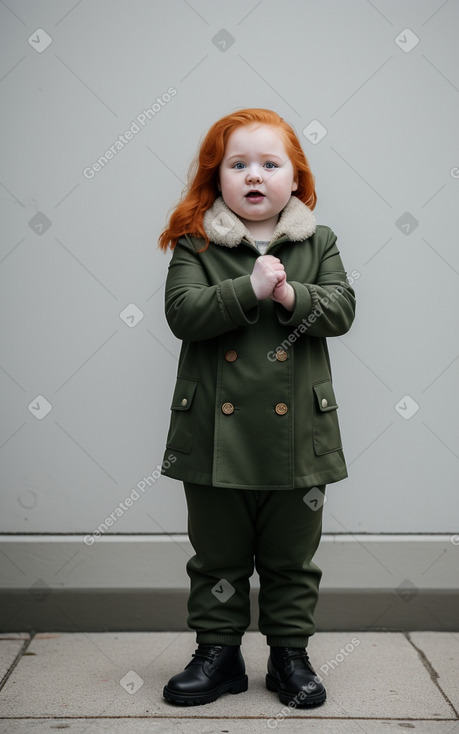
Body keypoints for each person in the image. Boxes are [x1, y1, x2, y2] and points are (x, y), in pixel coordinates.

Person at [158, 108, 356, 707]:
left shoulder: (316, 240)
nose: (254, 175)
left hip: (298, 434)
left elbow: (343, 310)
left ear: (295, 178)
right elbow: (182, 313)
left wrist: (292, 292)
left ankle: (289, 655)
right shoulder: (197, 242)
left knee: (291, 556)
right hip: (215, 435)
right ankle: (217, 654)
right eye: (237, 164)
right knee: (216, 554)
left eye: (270, 164)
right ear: (216, 178)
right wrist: (248, 288)